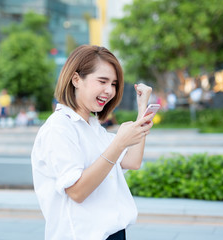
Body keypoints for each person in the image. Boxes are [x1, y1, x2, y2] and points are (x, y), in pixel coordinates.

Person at [31, 45, 154, 240]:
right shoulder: (59, 128)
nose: (110, 90)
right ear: (76, 79)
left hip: (114, 233)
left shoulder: (93, 127)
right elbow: (77, 191)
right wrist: (119, 144)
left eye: (113, 84)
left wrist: (142, 111)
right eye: (102, 81)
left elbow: (132, 162)